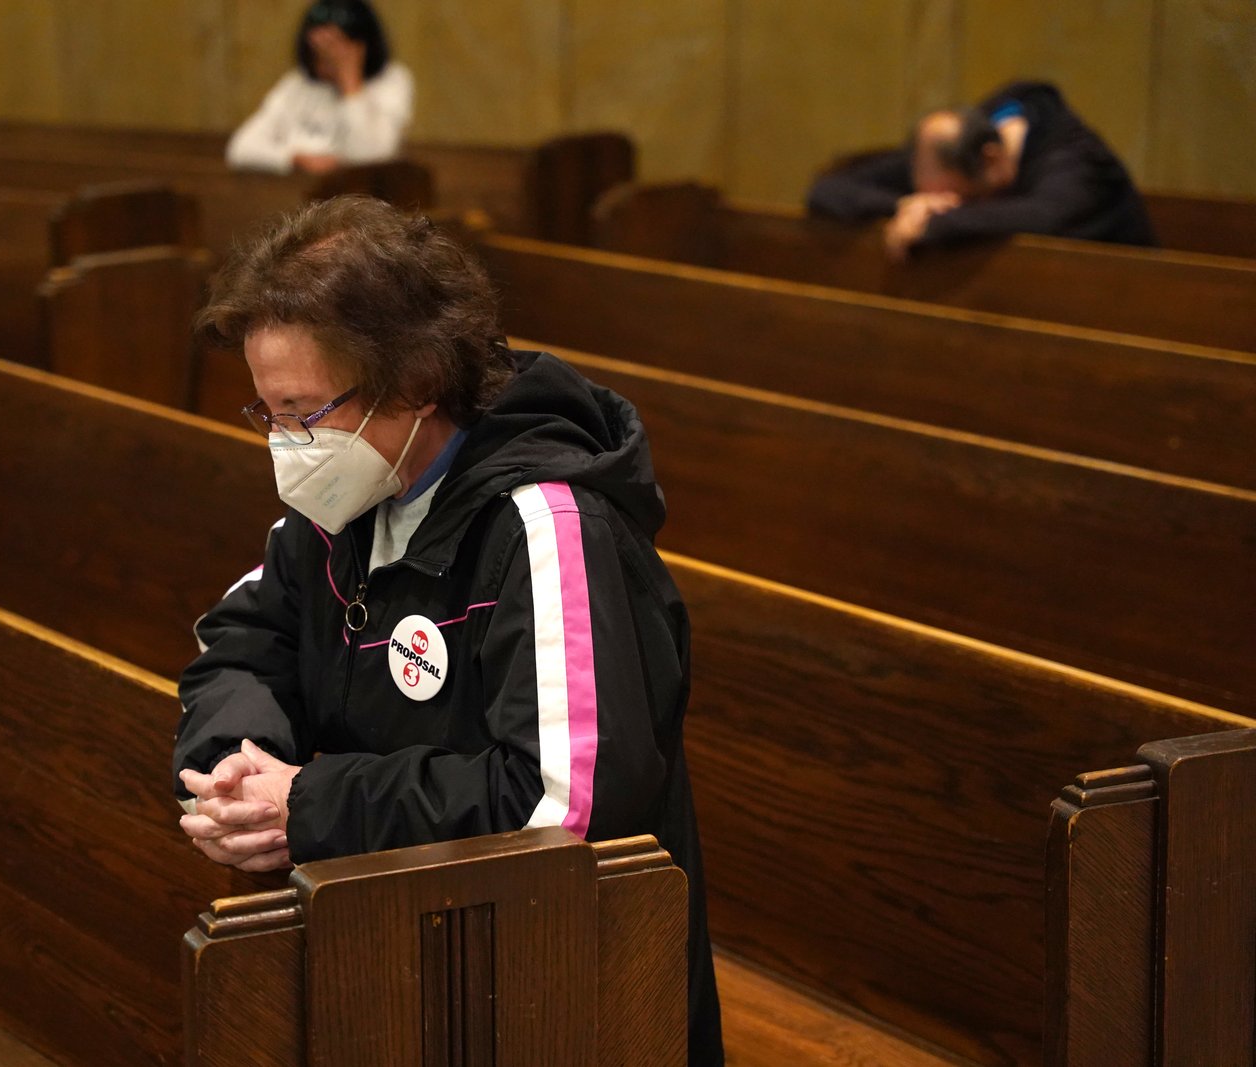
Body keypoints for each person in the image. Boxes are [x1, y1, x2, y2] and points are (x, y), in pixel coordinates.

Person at [171, 196, 726, 1064]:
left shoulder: (546, 523)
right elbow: (239, 640)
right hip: (390, 938)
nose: (286, 446)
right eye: (267, 414)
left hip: (557, 972)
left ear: (420, 380)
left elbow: (564, 801)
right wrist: (236, 769)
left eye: (305, 413)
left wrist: (312, 804)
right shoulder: (345, 494)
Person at [806, 80, 1156, 261]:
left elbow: (1043, 218)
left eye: (954, 197)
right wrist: (904, 207)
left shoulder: (1079, 162)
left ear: (990, 160)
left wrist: (934, 222)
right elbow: (827, 190)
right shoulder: (954, 146)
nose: (941, 203)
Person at [225, 0, 414, 175]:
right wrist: (293, 158)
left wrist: (349, 81)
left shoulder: (391, 81)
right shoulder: (297, 84)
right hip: (295, 196)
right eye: (319, 50)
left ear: (361, 46)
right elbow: (241, 149)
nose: (327, 57)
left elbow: (368, 158)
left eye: (335, 47)